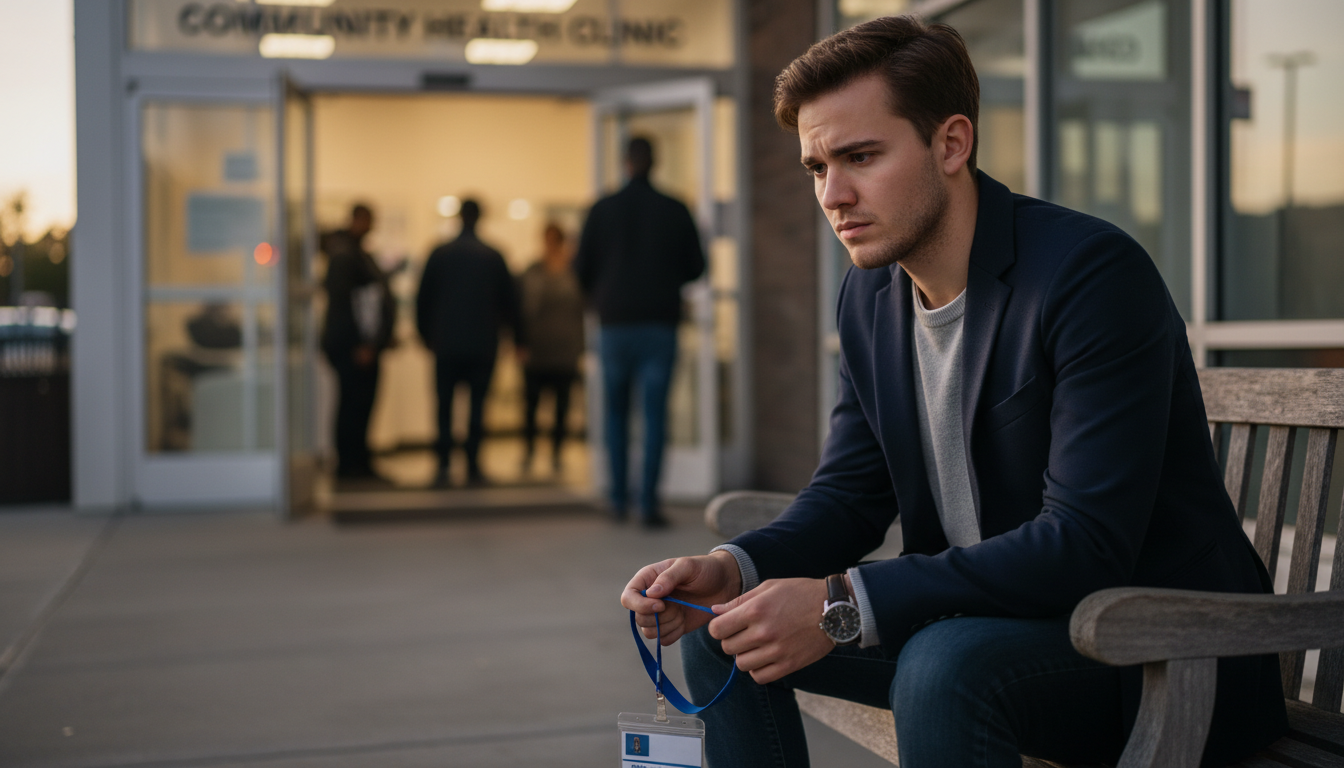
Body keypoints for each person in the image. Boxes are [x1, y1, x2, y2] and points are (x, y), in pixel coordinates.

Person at [621, 16, 1287, 768]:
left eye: (861, 156)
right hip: (983, 627)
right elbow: (849, 495)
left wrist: (842, 602)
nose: (834, 194)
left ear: (951, 144)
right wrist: (733, 567)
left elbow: (1085, 544)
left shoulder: (1090, 275)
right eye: (816, 167)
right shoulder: (870, 296)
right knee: (724, 630)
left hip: (1155, 649)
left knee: (943, 665)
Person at [575, 137, 706, 528]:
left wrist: (603, 295)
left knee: (615, 414)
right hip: (658, 325)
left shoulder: (602, 209)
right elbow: (697, 267)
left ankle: (617, 499)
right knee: (654, 416)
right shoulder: (674, 208)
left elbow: (581, 268)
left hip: (614, 325)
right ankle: (647, 504)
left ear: (625, 163)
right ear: (655, 162)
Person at [416, 199, 516, 488]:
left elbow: (423, 300)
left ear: (459, 216)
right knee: (477, 406)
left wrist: (427, 336)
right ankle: (473, 465)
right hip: (482, 345)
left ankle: (443, 464)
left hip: (446, 344)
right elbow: (509, 304)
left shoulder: (440, 254)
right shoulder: (493, 256)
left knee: (444, 405)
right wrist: (514, 338)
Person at [320, 204, 395, 483]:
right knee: (353, 406)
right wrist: (359, 343)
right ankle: (350, 464)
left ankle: (358, 462)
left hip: (360, 346)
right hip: (353, 348)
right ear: (356, 220)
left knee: (360, 406)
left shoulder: (353, 252)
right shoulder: (344, 254)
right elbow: (344, 305)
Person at [516, 223, 585, 475]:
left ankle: (557, 453)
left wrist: (582, 347)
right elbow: (521, 309)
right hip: (537, 349)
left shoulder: (574, 272)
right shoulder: (533, 271)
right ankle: (529, 451)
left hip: (565, 350)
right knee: (531, 406)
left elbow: (582, 311)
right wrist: (520, 343)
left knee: (562, 407)